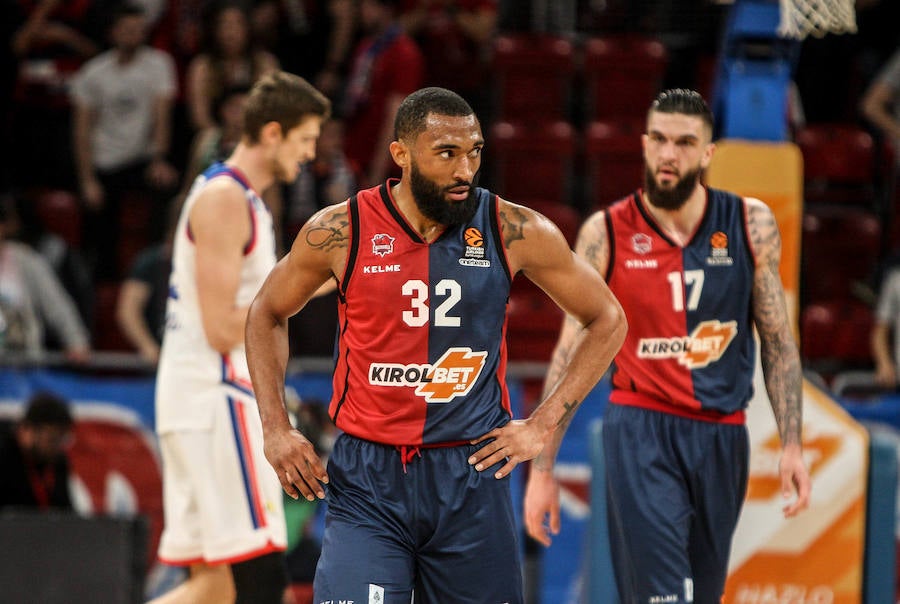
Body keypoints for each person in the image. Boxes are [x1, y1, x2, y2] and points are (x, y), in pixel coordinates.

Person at [245, 86, 626, 603]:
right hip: (369, 479)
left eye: (474, 152)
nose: (465, 169)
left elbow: (607, 318)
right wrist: (275, 428)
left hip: (471, 475)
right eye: (447, 153)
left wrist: (542, 424)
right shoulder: (341, 229)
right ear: (401, 154)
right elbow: (266, 312)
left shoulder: (515, 228)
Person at [523, 89, 812, 604]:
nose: (668, 154)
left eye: (683, 143)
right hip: (642, 430)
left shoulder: (750, 223)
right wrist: (543, 468)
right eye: (658, 139)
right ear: (643, 144)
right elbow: (569, 353)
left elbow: (778, 342)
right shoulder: (606, 232)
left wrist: (793, 444)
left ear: (707, 153)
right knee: (664, 596)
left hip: (723, 436)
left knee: (701, 595)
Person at [150, 71, 331, 604]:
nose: (311, 154)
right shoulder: (226, 200)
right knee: (261, 581)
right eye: (305, 139)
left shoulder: (238, 197)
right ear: (273, 133)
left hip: (200, 401)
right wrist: (315, 283)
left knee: (213, 586)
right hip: (218, 401)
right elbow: (221, 326)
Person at [69, 2, 179, 281]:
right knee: (97, 223)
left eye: (138, 29)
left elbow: (162, 117)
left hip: (143, 160)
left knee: (167, 187)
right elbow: (81, 131)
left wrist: (159, 159)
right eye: (127, 29)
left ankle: (157, 273)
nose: (133, 34)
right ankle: (102, 286)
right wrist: (87, 180)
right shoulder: (93, 72)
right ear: (113, 32)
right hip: (105, 164)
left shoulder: (159, 64)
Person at [341, 0, 424, 188]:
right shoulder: (366, 47)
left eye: (369, 5)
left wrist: (377, 173)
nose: (363, 11)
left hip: (379, 164)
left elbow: (395, 118)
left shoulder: (404, 53)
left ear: (386, 9)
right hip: (354, 156)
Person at [0, 195, 91, 361]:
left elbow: (57, 306)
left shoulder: (28, 261)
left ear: (3, 226)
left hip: (22, 363)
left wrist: (75, 341)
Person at [0, 391, 75, 510]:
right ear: (27, 430)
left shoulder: (58, 463)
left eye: (62, 439)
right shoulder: (5, 456)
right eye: (52, 439)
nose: (57, 447)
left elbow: (66, 513)